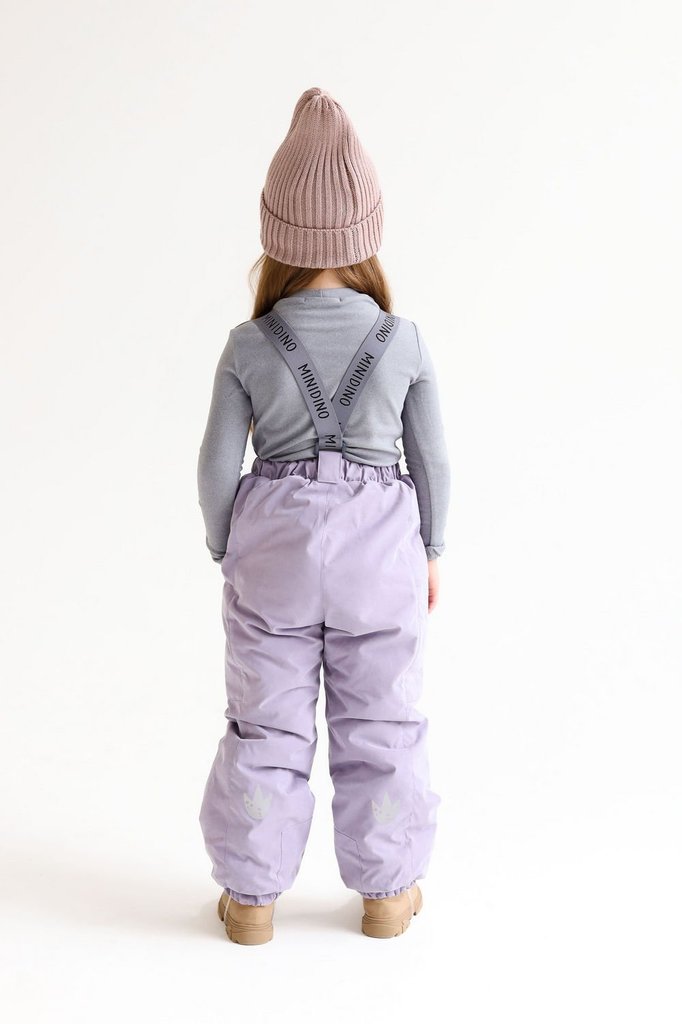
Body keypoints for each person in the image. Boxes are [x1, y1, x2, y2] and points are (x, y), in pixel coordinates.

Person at [197, 87, 450, 944]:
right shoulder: (403, 341)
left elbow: (215, 467)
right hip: (381, 551)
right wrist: (431, 549)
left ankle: (251, 901)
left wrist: (229, 545)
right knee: (381, 719)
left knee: (265, 721)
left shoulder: (249, 343)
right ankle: (388, 895)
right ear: (366, 232)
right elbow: (434, 462)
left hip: (274, 544)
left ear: (276, 236)